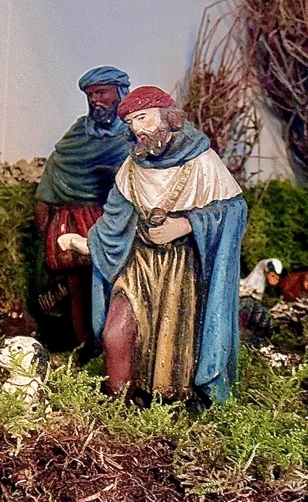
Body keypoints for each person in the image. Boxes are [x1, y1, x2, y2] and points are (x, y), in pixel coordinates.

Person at [59, 86, 246, 404]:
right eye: (131, 122)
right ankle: (117, 407)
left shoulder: (203, 162)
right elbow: (115, 219)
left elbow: (234, 211)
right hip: (138, 266)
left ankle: (171, 406)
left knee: (175, 344)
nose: (138, 129)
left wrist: (185, 225)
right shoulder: (133, 167)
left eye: (143, 118)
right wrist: (89, 243)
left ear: (168, 117)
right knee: (116, 333)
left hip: (183, 270)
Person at [32, 66, 133, 350]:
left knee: (114, 283)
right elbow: (57, 164)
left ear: (119, 93)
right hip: (73, 219)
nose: (95, 101)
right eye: (90, 95)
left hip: (110, 219)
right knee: (76, 286)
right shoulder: (78, 133)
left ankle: (114, 344)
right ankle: (81, 345)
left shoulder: (131, 136)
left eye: (101, 93)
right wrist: (44, 209)